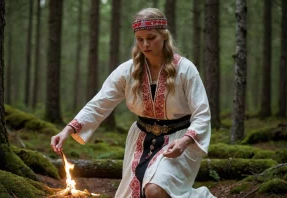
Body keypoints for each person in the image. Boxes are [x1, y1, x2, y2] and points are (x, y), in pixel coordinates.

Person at [51, 7, 215, 198]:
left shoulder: (185, 69)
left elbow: (202, 113)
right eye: (140, 39)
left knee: (154, 190)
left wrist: (185, 141)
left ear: (164, 36)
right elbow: (100, 102)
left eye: (151, 37)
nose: (145, 44)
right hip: (140, 140)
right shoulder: (127, 71)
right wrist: (68, 130)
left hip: (178, 141)